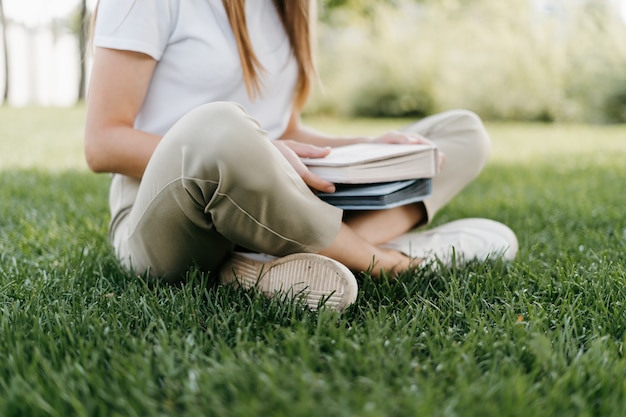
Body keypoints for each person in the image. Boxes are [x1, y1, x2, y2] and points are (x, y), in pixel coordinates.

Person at [84, 0, 518, 311]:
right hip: (172, 213)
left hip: (280, 195)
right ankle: (384, 261)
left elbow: (286, 129)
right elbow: (103, 142)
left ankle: (262, 264)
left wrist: (369, 148)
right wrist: (258, 148)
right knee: (219, 126)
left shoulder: (290, 5)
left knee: (460, 132)